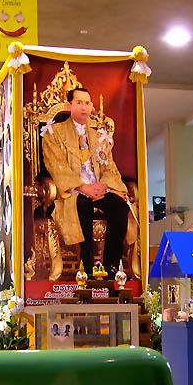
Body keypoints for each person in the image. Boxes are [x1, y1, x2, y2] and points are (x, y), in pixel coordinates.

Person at [42, 87, 135, 277]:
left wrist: (104, 186)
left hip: (99, 190)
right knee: (81, 205)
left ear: (92, 106)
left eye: (87, 103)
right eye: (79, 103)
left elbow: (109, 167)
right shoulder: (54, 133)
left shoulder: (99, 136)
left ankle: (110, 267)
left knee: (119, 206)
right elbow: (55, 165)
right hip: (72, 192)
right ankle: (87, 268)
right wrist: (82, 187)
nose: (84, 107)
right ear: (69, 105)